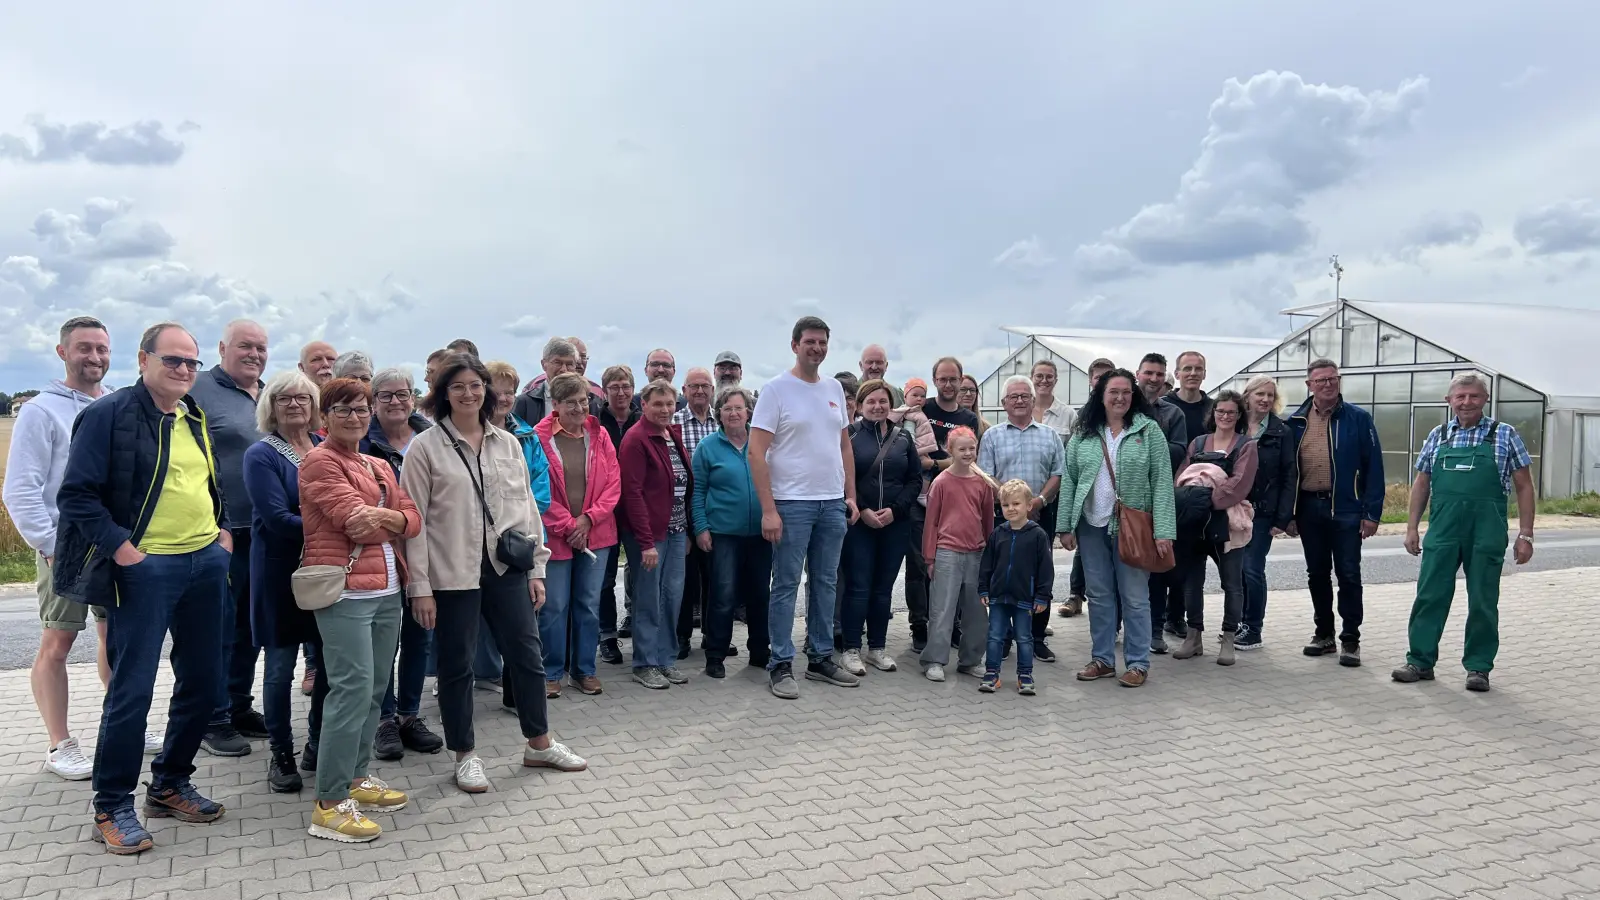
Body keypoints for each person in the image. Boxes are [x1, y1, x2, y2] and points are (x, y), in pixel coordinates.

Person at [55, 322, 231, 854]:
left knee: (204, 680)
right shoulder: (107, 415)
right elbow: (77, 496)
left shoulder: (191, 414)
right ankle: (111, 805)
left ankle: (171, 783)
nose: (182, 371)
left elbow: (204, 481)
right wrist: (124, 550)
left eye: (190, 363)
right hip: (146, 569)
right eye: (172, 360)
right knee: (132, 689)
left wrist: (221, 533)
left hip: (205, 561)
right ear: (143, 359)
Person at [401, 353, 585, 793]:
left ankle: (539, 742)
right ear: (443, 393)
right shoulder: (425, 448)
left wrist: (537, 568)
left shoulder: (507, 443)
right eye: (459, 386)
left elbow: (525, 511)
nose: (469, 393)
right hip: (452, 573)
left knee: (526, 655)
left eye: (476, 385)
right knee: (457, 665)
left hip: (505, 568)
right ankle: (464, 754)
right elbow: (415, 521)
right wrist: (420, 588)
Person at [3, 316, 135, 781]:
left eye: (102, 348)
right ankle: (59, 743)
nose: (95, 357)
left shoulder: (117, 404)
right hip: (67, 545)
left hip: (113, 539)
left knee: (111, 636)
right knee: (57, 641)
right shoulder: (42, 411)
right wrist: (49, 545)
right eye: (84, 348)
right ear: (63, 352)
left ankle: (118, 724)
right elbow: (21, 488)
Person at [297, 377, 419, 842]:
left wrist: (389, 518)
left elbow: (414, 519)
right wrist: (393, 518)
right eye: (343, 410)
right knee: (349, 691)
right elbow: (355, 522)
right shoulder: (317, 461)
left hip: (387, 588)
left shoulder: (375, 462)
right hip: (345, 591)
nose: (354, 417)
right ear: (323, 418)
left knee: (373, 689)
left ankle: (355, 777)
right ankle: (328, 804)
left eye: (360, 409)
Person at [1393, 374, 1535, 693]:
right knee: (1430, 595)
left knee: (1484, 599)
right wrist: (1412, 527)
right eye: (1460, 397)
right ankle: (1420, 661)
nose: (1466, 402)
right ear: (1449, 401)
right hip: (1442, 529)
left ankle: (1478, 667)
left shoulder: (1504, 435)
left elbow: (1525, 485)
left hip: (1486, 530)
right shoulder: (1438, 435)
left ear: (1485, 399)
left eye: (1473, 396)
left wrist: (1526, 534)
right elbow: (1422, 483)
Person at [750, 316, 860, 699]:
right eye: (810, 341)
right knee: (785, 584)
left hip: (831, 503)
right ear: (795, 344)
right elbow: (756, 452)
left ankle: (820, 657)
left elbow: (843, 445)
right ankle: (780, 663)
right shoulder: (776, 390)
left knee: (826, 582)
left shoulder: (833, 389)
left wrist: (850, 495)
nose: (817, 348)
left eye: (823, 342)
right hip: (792, 504)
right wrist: (769, 509)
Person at [1055, 368, 1176, 689]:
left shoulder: (1148, 431)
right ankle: (1103, 660)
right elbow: (1070, 480)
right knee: (1099, 596)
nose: (1120, 398)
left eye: (1126, 392)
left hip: (1134, 527)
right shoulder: (1084, 434)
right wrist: (1065, 525)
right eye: (1113, 392)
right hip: (1092, 527)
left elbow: (1163, 483)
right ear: (1101, 396)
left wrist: (1164, 531)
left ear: (1134, 395)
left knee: (1135, 597)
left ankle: (1137, 663)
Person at [241, 369, 330, 793]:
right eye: (284, 399)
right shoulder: (261, 455)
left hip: (325, 571)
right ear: (270, 407)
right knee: (279, 668)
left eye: (302, 398)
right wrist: (338, 526)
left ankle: (316, 743)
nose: (295, 405)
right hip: (280, 573)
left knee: (328, 662)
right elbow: (276, 519)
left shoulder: (325, 448)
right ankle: (281, 753)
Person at [187, 319, 269, 758]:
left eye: (260, 347)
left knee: (249, 628)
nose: (254, 354)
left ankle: (238, 706)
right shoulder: (198, 388)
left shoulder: (267, 394)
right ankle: (211, 718)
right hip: (220, 532)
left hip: (264, 532)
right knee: (217, 628)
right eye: (245, 346)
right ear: (222, 348)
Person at [361, 368, 444, 761]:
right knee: (384, 644)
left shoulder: (431, 437)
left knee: (419, 635)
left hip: (425, 549)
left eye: (403, 394)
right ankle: (384, 719)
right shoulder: (362, 442)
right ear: (373, 401)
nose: (396, 401)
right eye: (386, 395)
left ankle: (410, 715)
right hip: (380, 553)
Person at [1286, 358, 1383, 668]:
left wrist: (1371, 512)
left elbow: (1374, 469)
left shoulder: (1357, 418)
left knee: (1349, 574)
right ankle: (1324, 634)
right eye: (1321, 380)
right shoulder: (1295, 422)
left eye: (1332, 379)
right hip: (1308, 507)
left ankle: (1350, 639)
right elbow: (1288, 473)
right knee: (1316, 574)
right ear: (1309, 385)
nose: (1328, 384)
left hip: (1346, 509)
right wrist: (1288, 513)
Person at [534, 373, 622, 697]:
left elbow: (613, 484)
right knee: (554, 605)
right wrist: (569, 526)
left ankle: (584, 670)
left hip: (597, 533)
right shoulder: (538, 437)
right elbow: (535, 488)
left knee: (588, 604)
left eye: (583, 400)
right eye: (570, 401)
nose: (579, 407)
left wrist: (588, 519)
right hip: (556, 536)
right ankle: (551, 672)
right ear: (555, 404)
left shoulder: (599, 435)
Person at [975, 376, 1064, 663]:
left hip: (1041, 513)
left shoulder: (1049, 435)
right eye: (1013, 396)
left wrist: (1038, 501)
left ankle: (1036, 638)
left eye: (1025, 395)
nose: (1020, 400)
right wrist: (1013, 503)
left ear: (1033, 400)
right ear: (1004, 404)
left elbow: (1058, 473)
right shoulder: (992, 436)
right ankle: (1003, 638)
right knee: (1005, 573)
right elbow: (986, 475)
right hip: (1005, 515)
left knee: (1039, 574)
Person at [839, 379, 921, 675]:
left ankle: (876, 648)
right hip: (859, 524)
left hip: (895, 525)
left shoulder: (903, 439)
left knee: (883, 589)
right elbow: (842, 476)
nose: (877, 406)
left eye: (883, 401)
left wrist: (895, 510)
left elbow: (914, 480)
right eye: (870, 401)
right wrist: (863, 509)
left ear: (891, 405)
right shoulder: (848, 436)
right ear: (860, 406)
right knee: (858, 587)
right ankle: (850, 648)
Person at [1170, 391, 1258, 666]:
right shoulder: (1197, 443)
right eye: (1221, 411)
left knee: (1232, 583)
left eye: (1232, 412)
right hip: (1194, 523)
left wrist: (1205, 500)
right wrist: (1191, 503)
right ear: (1214, 413)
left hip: (1227, 522)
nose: (1225, 416)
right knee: (1191, 582)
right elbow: (1182, 478)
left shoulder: (1246, 445)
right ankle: (1193, 636)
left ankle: (1229, 637)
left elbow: (1240, 483)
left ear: (1239, 415)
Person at [618, 380, 694, 689]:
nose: (665, 409)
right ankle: (645, 662)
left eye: (670, 404)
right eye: (658, 404)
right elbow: (632, 494)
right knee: (649, 597)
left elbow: (682, 487)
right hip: (649, 536)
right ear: (644, 405)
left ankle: (666, 659)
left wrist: (686, 527)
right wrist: (646, 542)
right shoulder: (636, 439)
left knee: (672, 596)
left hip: (676, 530)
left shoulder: (671, 435)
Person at [691, 385, 771, 678]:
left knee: (760, 595)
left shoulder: (763, 443)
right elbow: (698, 491)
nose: (734, 413)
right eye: (727, 409)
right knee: (722, 595)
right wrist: (701, 527)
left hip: (761, 533)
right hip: (723, 533)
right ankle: (715, 655)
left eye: (739, 408)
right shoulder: (708, 447)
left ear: (749, 412)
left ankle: (761, 653)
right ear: (719, 414)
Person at [920, 427, 997, 681]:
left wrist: (988, 554)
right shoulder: (941, 482)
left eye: (971, 448)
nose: (967, 453)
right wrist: (929, 557)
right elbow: (931, 522)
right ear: (950, 450)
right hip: (947, 553)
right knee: (942, 609)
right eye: (961, 449)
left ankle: (971, 659)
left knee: (976, 611)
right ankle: (934, 659)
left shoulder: (983, 483)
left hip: (976, 553)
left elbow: (988, 520)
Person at [1236, 375, 1297, 651]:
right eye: (1260, 394)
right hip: (1234, 509)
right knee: (1235, 570)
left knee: (1252, 568)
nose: (1265, 400)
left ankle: (1253, 628)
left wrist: (1282, 517)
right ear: (1247, 395)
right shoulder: (1234, 424)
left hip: (1262, 512)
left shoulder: (1281, 431)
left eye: (1270, 396)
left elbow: (1289, 475)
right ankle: (1239, 622)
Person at [978, 480, 1054, 695]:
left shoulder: (1038, 535)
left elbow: (1046, 570)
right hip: (998, 597)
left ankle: (1025, 675)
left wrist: (1042, 597)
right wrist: (984, 588)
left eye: (1016, 504)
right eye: (1006, 505)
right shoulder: (997, 533)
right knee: (994, 636)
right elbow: (987, 564)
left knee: (1024, 637)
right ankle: (991, 674)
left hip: (1024, 598)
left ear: (1029, 505)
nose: (1010, 509)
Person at [1135, 352, 1189, 652]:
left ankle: (1155, 630)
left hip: (1157, 501)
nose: (1153, 379)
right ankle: (1120, 626)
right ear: (1138, 374)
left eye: (1159, 374)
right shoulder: (1122, 408)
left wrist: (1140, 446)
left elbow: (1178, 452)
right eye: (1148, 373)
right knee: (1125, 565)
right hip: (1124, 501)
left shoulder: (1173, 414)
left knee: (1157, 570)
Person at [1058, 357, 1114, 619]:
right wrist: (1066, 523)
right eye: (1098, 377)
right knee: (1087, 554)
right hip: (1088, 502)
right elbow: (1072, 468)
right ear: (1091, 380)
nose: (1101, 382)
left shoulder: (1132, 416)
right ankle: (1077, 594)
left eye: (1108, 377)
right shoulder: (1084, 416)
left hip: (1118, 508)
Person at [672, 367, 718, 658]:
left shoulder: (723, 422)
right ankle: (682, 637)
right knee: (686, 584)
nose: (700, 391)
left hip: (717, 516)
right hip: (683, 514)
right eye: (694, 386)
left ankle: (715, 637)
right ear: (684, 390)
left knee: (717, 581)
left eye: (705, 386)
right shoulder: (674, 423)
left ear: (712, 390)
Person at [596, 364, 640, 661]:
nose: (621, 392)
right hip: (606, 508)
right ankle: (607, 636)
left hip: (637, 508)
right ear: (605, 391)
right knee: (606, 577)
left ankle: (640, 625)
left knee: (641, 572)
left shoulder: (643, 418)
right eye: (614, 387)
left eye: (625, 386)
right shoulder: (595, 422)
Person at [897, 377, 936, 651]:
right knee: (915, 565)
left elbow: (928, 446)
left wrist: (915, 453)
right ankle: (919, 625)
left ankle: (931, 623)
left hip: (922, 491)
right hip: (901, 493)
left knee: (926, 565)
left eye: (923, 395)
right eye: (914, 395)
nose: (918, 400)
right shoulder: (898, 413)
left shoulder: (924, 418)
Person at [515, 337, 600, 427]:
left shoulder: (591, 403)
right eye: (557, 362)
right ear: (544, 364)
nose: (564, 369)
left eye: (569, 364)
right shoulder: (525, 403)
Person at [1167, 351, 1215, 443]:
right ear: (1177, 374)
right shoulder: (1162, 406)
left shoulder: (1214, 408)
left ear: (1204, 374)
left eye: (1198, 369)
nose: (1193, 373)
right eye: (1187, 369)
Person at [1030, 360, 1073, 436]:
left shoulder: (1068, 414)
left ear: (1055, 381)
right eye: (1039, 376)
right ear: (1031, 379)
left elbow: (1074, 446)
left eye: (1049, 377)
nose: (1044, 380)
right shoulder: (1022, 411)